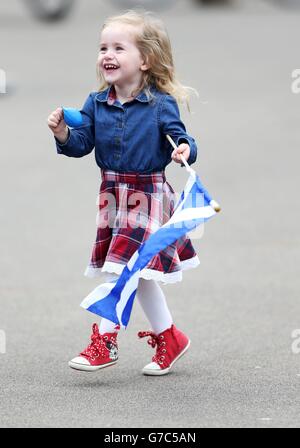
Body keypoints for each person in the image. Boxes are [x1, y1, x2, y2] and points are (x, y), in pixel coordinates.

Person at [47, 10, 200, 376]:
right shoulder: (97, 102)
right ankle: (170, 337)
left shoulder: (160, 103)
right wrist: (63, 134)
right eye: (103, 47)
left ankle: (105, 341)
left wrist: (183, 150)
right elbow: (83, 143)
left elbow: (183, 139)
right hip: (113, 194)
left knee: (121, 270)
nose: (107, 55)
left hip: (148, 194)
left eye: (119, 47)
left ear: (145, 60)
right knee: (138, 271)